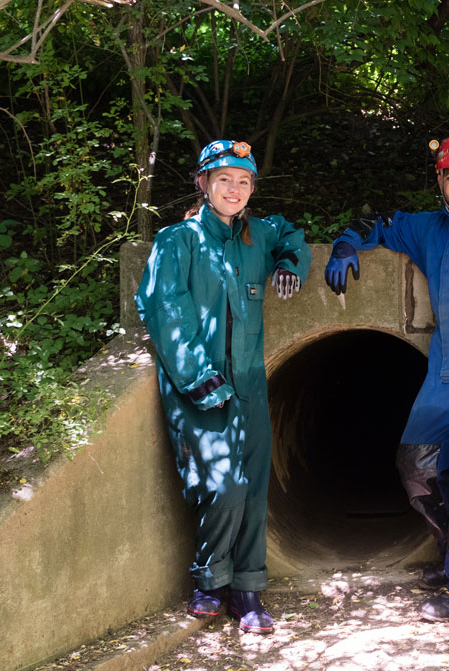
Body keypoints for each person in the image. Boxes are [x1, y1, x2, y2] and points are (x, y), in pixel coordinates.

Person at [324, 134, 449, 621]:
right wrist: (345, 244)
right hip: (446, 364)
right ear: (440, 180)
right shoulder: (425, 228)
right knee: (415, 464)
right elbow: (375, 223)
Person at [136, 140, 311, 634]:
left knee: (255, 489)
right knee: (225, 487)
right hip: (200, 389)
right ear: (203, 184)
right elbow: (167, 311)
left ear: (252, 188)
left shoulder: (257, 235)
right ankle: (210, 581)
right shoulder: (178, 242)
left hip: (251, 386)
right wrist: (197, 378)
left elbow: (294, 237)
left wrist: (289, 265)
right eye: (224, 180)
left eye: (243, 181)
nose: (234, 189)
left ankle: (248, 591)